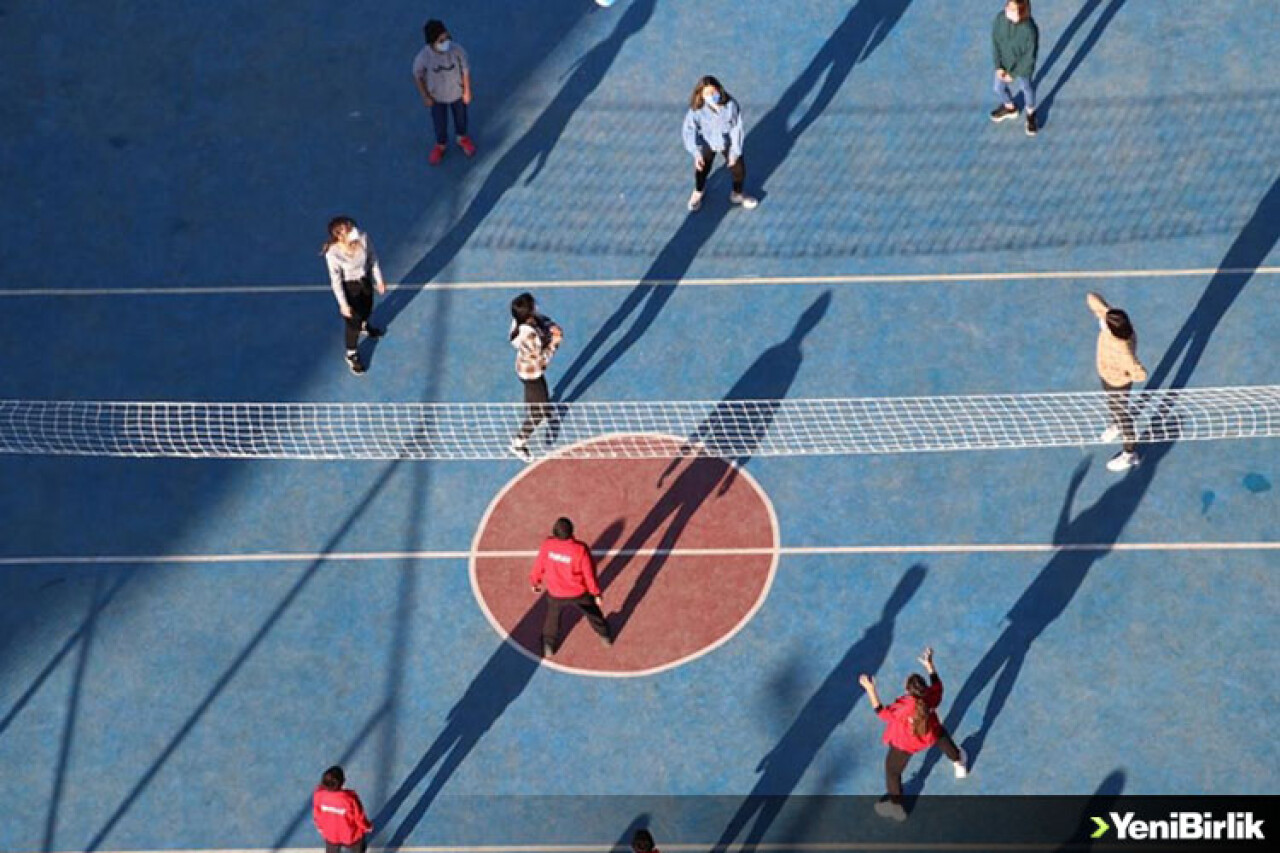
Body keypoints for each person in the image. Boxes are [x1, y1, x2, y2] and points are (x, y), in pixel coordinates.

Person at [858, 647, 967, 823]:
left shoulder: (904, 706)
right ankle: (959, 762)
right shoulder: (930, 696)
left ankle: (896, 806)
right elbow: (938, 687)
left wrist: (870, 690)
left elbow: (882, 713)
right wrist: (930, 666)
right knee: (941, 734)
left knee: (892, 772)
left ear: (908, 691)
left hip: (906, 744)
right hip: (929, 733)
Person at [530, 516, 613, 656]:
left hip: (556, 593)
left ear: (554, 532)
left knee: (552, 618)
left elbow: (539, 565)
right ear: (572, 532)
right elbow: (589, 574)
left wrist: (535, 581)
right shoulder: (580, 549)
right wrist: (596, 593)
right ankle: (605, 636)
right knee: (593, 613)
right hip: (578, 593)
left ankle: (549, 646)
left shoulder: (548, 545)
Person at [1087, 292, 1148, 472]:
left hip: (1118, 383)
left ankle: (1130, 454)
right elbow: (1091, 297)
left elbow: (1140, 374)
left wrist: (1124, 376)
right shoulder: (1113, 324)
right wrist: (1107, 311)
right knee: (1113, 406)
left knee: (1122, 414)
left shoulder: (1123, 350)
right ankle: (1115, 425)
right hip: (1106, 375)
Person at [682, 76, 758, 212]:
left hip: (726, 142)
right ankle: (698, 191)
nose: (711, 96)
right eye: (707, 94)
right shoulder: (696, 110)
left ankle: (737, 194)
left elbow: (736, 127)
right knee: (701, 169)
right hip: (707, 141)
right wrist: (696, 152)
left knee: (739, 170)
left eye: (713, 92)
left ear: (719, 89)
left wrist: (735, 151)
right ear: (701, 95)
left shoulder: (730, 105)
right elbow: (689, 130)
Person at [323, 216, 386, 375]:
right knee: (352, 324)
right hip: (349, 288)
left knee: (367, 309)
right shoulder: (332, 253)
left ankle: (365, 325)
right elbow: (336, 281)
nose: (353, 231)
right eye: (347, 229)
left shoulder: (363, 238)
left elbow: (373, 259)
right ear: (338, 235)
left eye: (351, 227)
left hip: (365, 282)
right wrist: (343, 304)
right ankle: (351, 354)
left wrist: (379, 280)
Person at [508, 292, 562, 461]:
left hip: (528, 369)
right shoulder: (530, 338)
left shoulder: (522, 321)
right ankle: (518, 443)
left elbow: (542, 320)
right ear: (529, 312)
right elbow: (542, 360)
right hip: (531, 372)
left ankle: (543, 407)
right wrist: (555, 342)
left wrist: (551, 326)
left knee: (542, 391)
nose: (537, 306)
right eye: (534, 305)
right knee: (536, 414)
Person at [413, 19, 475, 165]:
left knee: (461, 118)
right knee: (439, 123)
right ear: (432, 41)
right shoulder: (423, 57)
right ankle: (441, 145)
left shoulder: (457, 50)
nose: (446, 42)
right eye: (441, 40)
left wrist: (467, 91)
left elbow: (465, 70)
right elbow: (418, 75)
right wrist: (425, 96)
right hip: (437, 98)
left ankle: (462, 137)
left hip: (457, 94)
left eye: (447, 37)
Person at [990, 0, 1040, 136]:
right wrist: (998, 66)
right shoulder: (1000, 19)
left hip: (1023, 68)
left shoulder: (1030, 31)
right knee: (998, 88)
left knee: (1027, 88)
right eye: (1008, 6)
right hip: (1004, 64)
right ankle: (1010, 108)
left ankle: (1031, 114)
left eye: (1012, 9)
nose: (1007, 10)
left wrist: (1014, 73)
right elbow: (995, 42)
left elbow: (1029, 58)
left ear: (1022, 13)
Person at [311, 766, 372, 853]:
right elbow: (359, 817)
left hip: (331, 834)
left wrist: (320, 827)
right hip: (351, 836)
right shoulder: (350, 798)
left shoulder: (318, 794)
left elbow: (317, 813)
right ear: (343, 781)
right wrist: (367, 827)